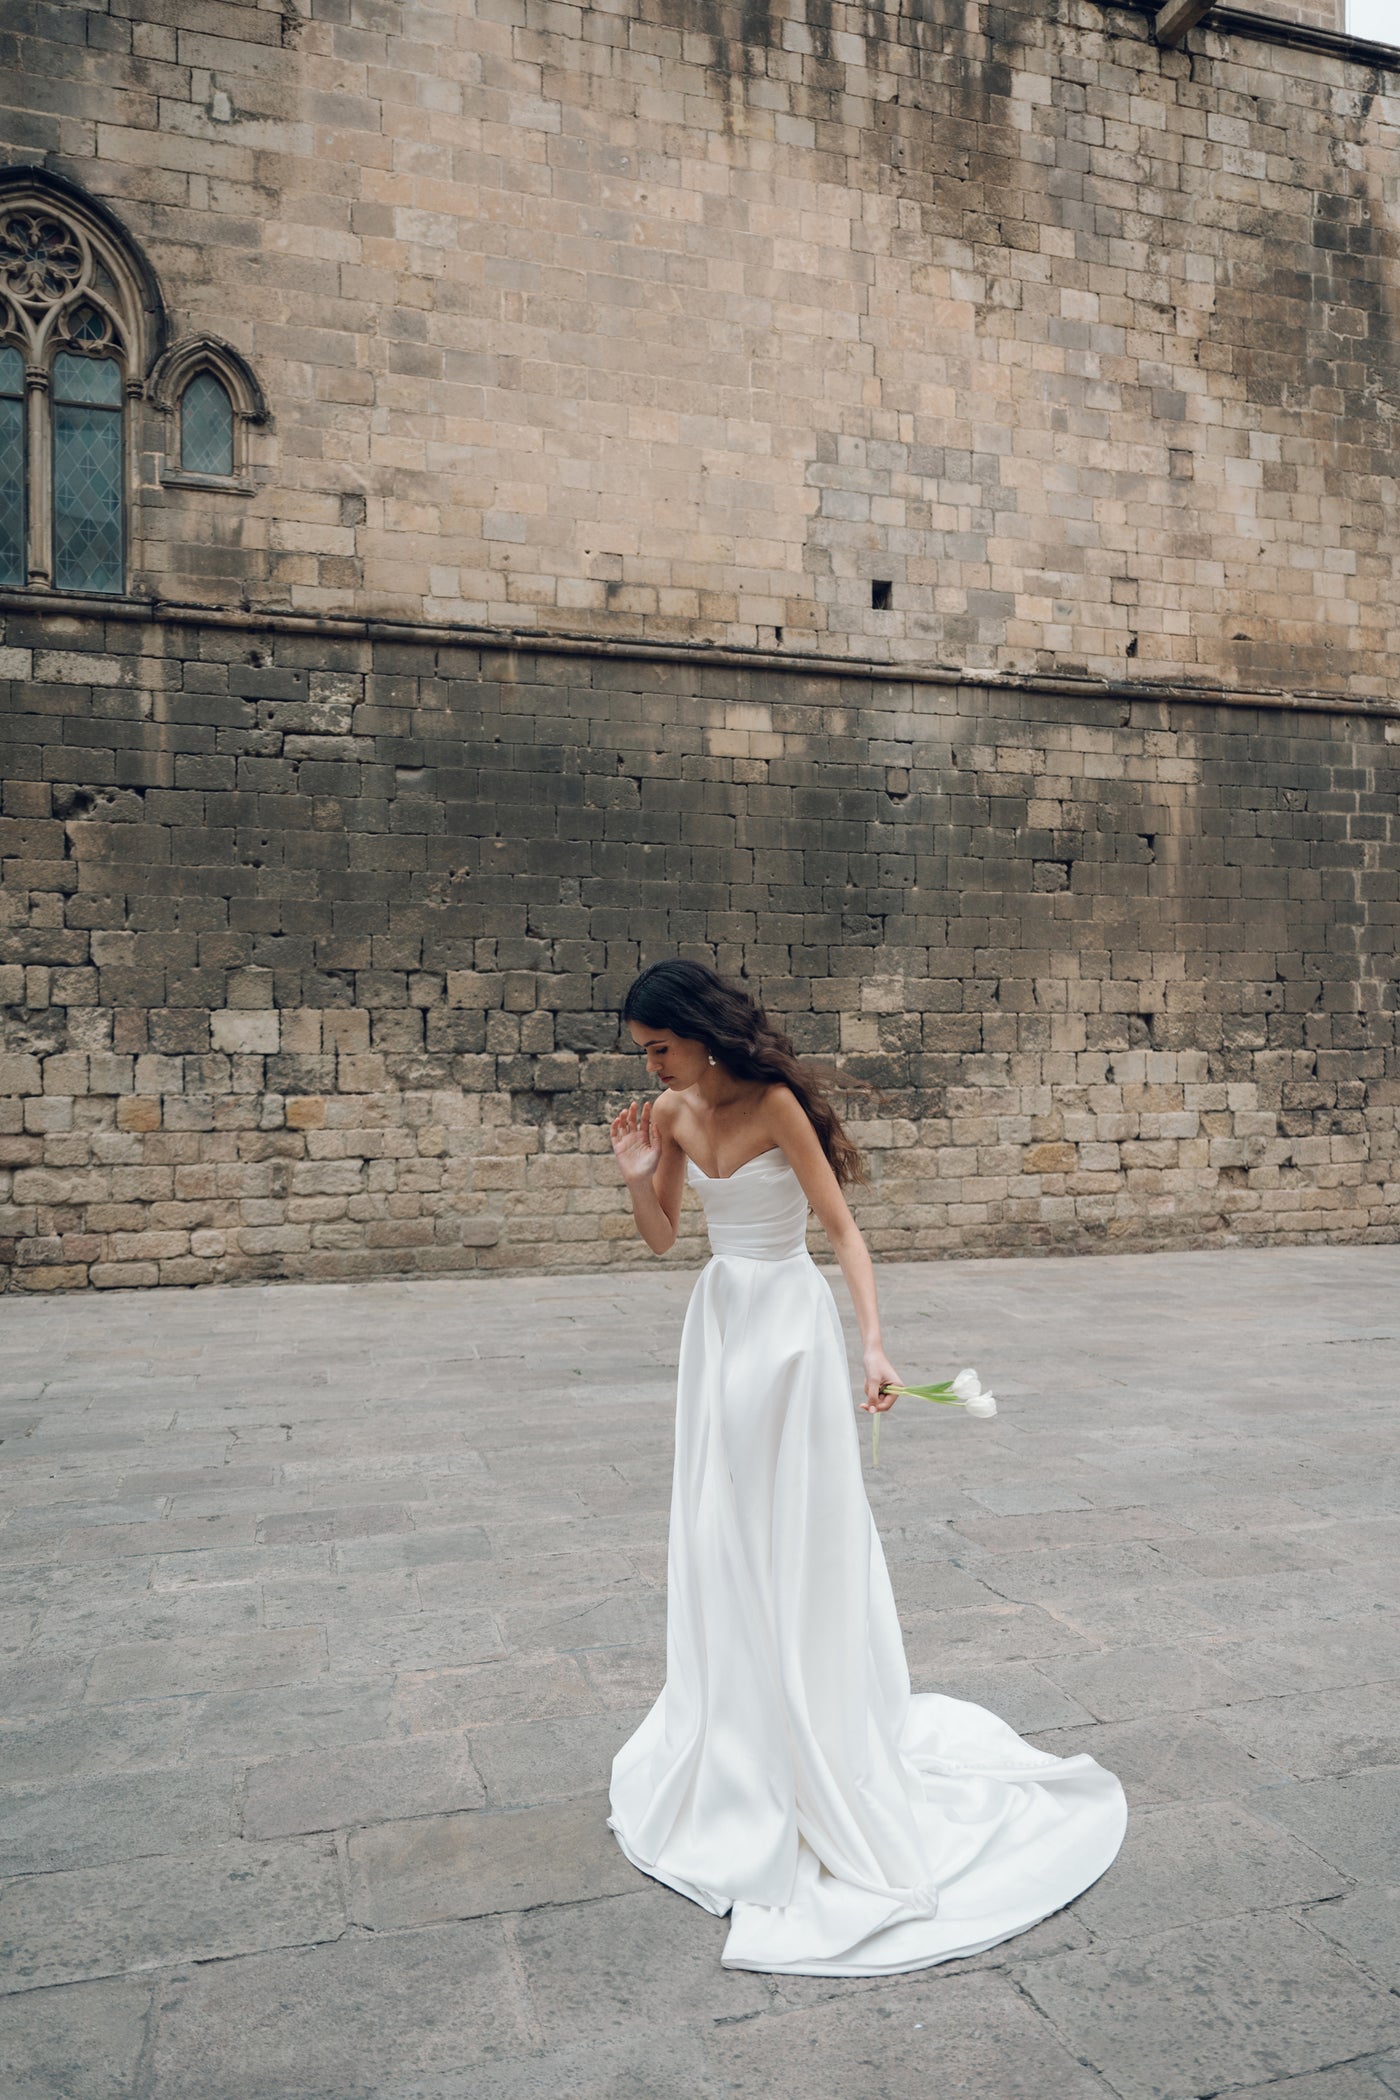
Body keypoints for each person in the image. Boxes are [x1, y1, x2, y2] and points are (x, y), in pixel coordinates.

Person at [605, 958, 1126, 1976]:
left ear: (697, 1033)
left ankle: (810, 1719)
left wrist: (874, 1345)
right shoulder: (668, 1117)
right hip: (719, 1325)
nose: (652, 1066)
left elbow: (841, 1229)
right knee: (717, 1532)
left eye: (658, 1047)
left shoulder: (775, 1105)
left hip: (788, 1330)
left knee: (790, 1527)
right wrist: (634, 1181)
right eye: (643, 1055)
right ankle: (736, 1738)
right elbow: (665, 1237)